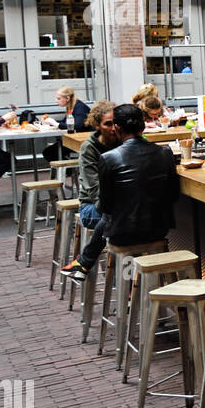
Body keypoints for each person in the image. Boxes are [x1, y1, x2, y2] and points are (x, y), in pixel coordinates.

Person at [96, 104, 180, 248]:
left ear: (116, 127)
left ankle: (85, 263)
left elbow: (105, 205)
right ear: (143, 126)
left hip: (122, 233)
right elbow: (174, 195)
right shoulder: (165, 152)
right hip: (159, 230)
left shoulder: (108, 158)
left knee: (103, 217)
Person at [59, 101, 119, 281]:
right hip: (91, 207)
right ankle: (128, 287)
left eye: (116, 123)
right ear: (97, 125)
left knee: (126, 218)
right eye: (108, 124)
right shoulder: (89, 149)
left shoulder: (123, 141)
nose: (113, 128)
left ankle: (83, 263)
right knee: (116, 217)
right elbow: (96, 194)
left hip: (117, 207)